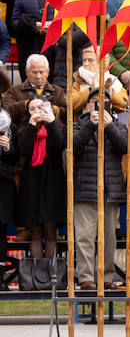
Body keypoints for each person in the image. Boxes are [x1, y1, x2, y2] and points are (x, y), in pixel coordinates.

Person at [71, 93, 128, 291]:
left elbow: (125, 146)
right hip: (85, 189)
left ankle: (106, 277)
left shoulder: (118, 125)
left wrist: (109, 125)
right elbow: (74, 147)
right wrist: (91, 125)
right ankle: (85, 277)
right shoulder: (77, 124)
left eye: (103, 103)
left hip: (110, 190)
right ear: (87, 105)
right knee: (85, 237)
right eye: (95, 102)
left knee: (109, 238)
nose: (99, 106)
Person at [15, 95, 65, 284]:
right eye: (33, 109)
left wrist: (50, 122)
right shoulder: (23, 129)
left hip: (52, 182)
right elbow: (24, 151)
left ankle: (52, 277)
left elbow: (60, 144)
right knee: (35, 232)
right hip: (32, 183)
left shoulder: (57, 127)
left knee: (50, 232)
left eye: (41, 108)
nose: (37, 112)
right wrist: (31, 125)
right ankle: (37, 277)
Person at [10, 0, 55, 69]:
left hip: (56, 54)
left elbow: (74, 23)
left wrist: (54, 27)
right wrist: (33, 26)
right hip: (29, 51)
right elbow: (14, 23)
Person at [3, 53, 67, 129]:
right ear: (27, 72)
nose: (38, 76)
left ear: (48, 72)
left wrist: (52, 109)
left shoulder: (57, 91)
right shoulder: (14, 90)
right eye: (34, 72)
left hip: (52, 135)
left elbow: (68, 114)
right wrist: (28, 104)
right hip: (22, 135)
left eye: (41, 72)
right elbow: (6, 111)